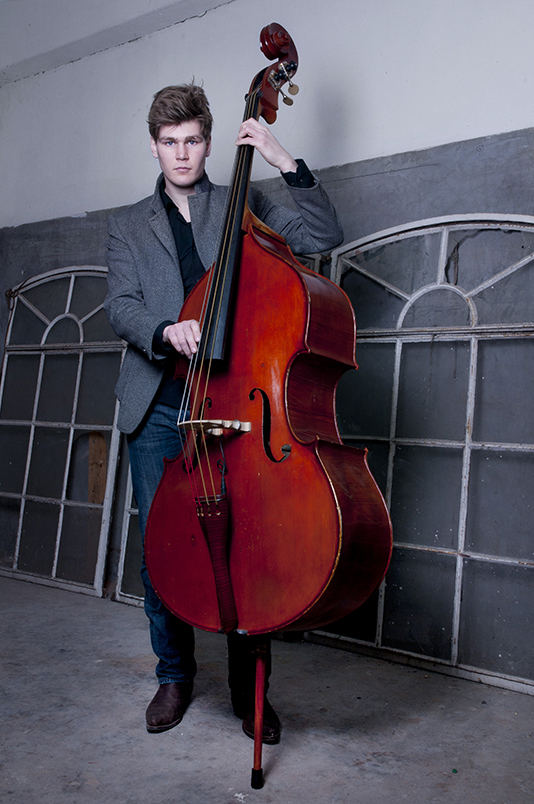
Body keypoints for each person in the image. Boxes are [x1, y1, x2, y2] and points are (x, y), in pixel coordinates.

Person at [104, 83, 343, 744]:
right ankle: (173, 676)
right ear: (155, 146)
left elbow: (325, 236)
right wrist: (163, 330)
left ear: (210, 143)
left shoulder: (244, 202)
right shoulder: (126, 224)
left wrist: (281, 157)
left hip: (237, 400)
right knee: (161, 550)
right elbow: (120, 305)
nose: (181, 153)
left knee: (245, 543)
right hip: (160, 403)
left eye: (192, 140)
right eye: (169, 142)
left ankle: (248, 691)